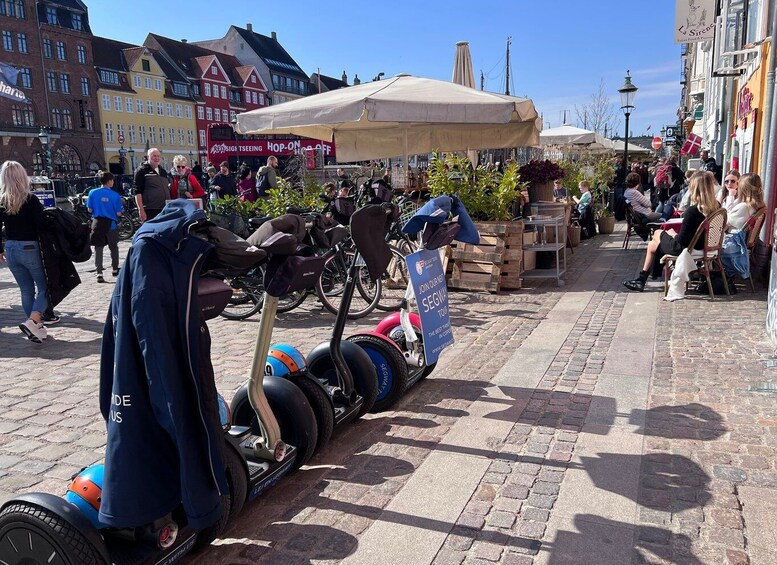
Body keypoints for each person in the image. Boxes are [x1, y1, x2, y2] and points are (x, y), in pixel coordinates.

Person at [623, 171, 719, 292]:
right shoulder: (717, 208)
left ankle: (642, 279)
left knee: (658, 233)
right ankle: (642, 279)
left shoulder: (692, 211)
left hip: (686, 249)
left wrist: (672, 233)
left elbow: (681, 241)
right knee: (654, 243)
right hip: (707, 247)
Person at [0, 160, 50, 342]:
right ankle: (33, 321)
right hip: (29, 247)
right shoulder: (30, 199)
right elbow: (42, 224)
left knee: (26, 289)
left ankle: (36, 328)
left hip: (11, 248)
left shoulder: (2, 200)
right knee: (46, 287)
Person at [86, 171, 123, 283]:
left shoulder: (92, 192)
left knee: (98, 248)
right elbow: (118, 213)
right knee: (113, 247)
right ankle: (115, 269)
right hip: (111, 224)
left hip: (98, 224)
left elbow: (90, 210)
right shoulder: (115, 195)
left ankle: (99, 272)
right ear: (109, 181)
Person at [133, 147, 169, 222]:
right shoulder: (141, 171)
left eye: (158, 156)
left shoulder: (163, 172)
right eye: (154, 156)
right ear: (148, 157)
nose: (156, 158)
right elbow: (137, 191)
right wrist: (141, 210)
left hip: (164, 207)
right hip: (150, 209)